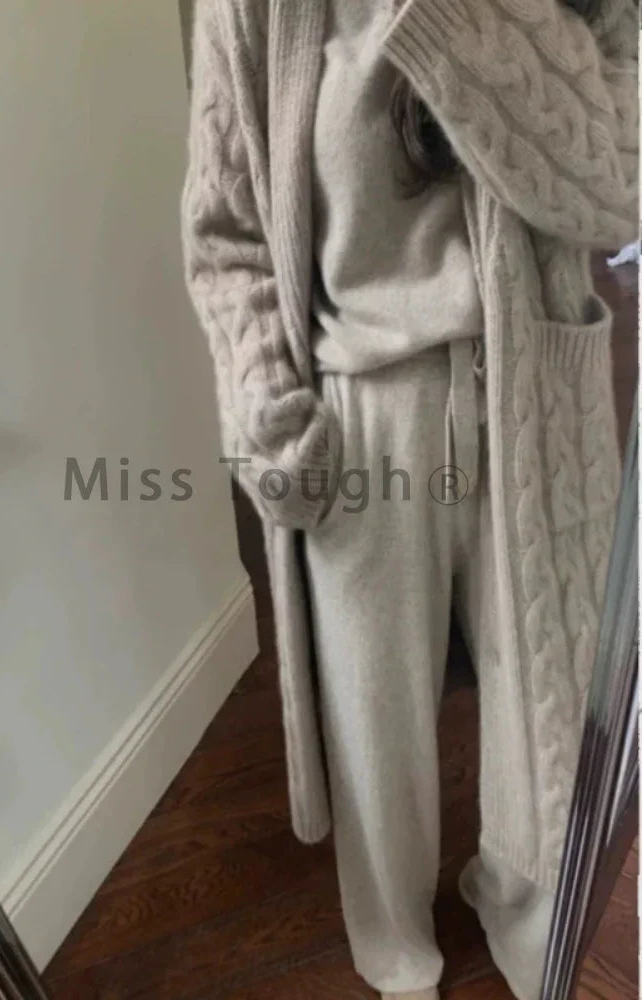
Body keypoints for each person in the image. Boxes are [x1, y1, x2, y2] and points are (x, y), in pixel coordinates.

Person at [180, 1, 638, 997]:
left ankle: (534, 933)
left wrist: (456, 19)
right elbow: (226, 234)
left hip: (537, 394)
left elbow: (621, 190)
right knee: (373, 726)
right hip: (357, 418)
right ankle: (396, 960)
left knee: (544, 713)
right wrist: (265, 404)